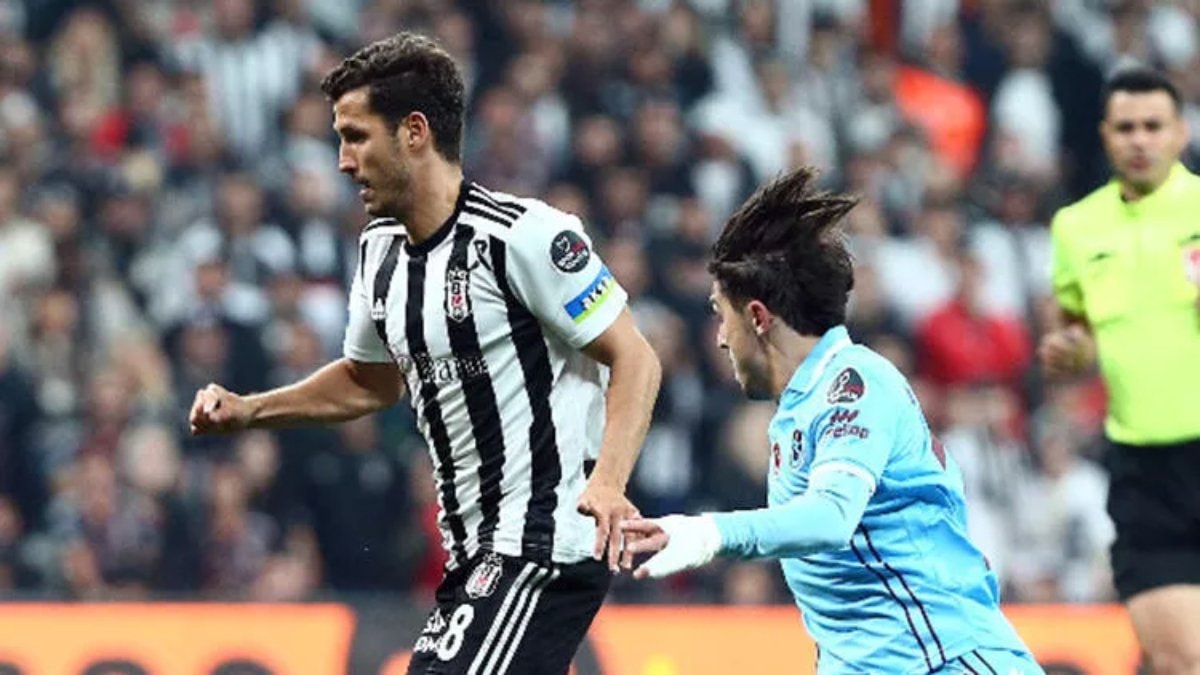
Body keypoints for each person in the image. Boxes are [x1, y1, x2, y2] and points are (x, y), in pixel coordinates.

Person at [189, 32, 662, 675]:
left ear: (414, 132)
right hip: (473, 555)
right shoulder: (379, 251)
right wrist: (251, 410)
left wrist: (607, 481)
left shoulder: (524, 238)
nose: (343, 162)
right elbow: (369, 381)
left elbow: (636, 358)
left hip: (543, 545)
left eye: (356, 137)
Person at [620, 167, 1042, 674]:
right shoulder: (799, 409)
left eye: (720, 314)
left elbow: (831, 517)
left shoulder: (854, 383)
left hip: (943, 660)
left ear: (757, 317)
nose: (720, 338)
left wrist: (709, 533)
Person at [1039, 66, 1200, 675]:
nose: (1140, 139)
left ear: (1180, 132)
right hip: (1144, 472)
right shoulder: (1077, 228)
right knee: (1181, 661)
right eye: (1126, 127)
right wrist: (1071, 352)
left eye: (1153, 126)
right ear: (1105, 135)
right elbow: (1076, 330)